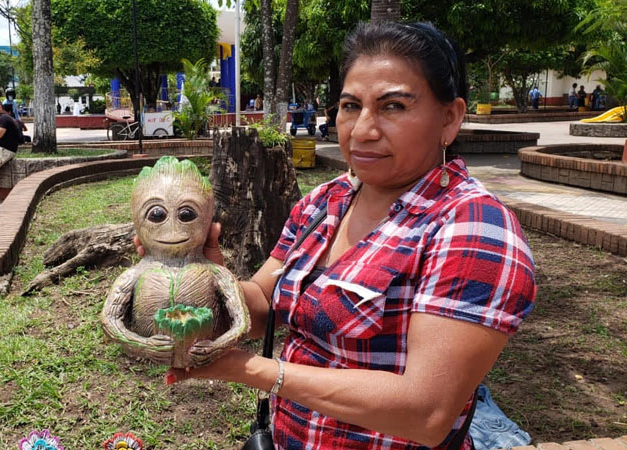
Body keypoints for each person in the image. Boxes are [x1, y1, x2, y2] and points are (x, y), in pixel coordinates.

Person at [160, 21, 536, 449]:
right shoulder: (326, 201)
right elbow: (264, 303)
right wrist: (206, 282)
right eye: (350, 105)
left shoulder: (473, 228)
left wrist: (246, 369)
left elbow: (426, 412)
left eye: (392, 106)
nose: (361, 130)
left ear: (449, 118)